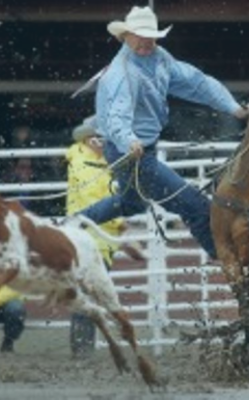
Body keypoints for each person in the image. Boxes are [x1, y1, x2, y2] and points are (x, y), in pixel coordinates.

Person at [79, 6, 249, 259]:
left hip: (135, 148)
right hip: (130, 151)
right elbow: (118, 116)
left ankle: (75, 222)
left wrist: (233, 108)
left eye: (151, 36)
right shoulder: (122, 73)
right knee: (195, 205)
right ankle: (230, 264)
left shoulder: (159, 58)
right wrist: (129, 140)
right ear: (125, 36)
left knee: (131, 204)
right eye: (140, 35)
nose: (147, 41)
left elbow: (196, 83)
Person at [66, 115, 145, 358]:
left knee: (90, 295)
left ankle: (82, 350)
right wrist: (124, 232)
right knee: (90, 295)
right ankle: (82, 352)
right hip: (90, 240)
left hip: (96, 240)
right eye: (98, 138)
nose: (102, 142)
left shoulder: (94, 162)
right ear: (90, 140)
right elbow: (97, 202)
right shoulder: (87, 165)